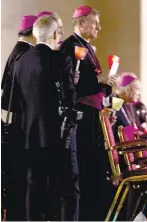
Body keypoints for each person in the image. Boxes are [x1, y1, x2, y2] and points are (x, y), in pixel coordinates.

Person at [14, 14, 77, 221]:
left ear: (34, 34)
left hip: (29, 135)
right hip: (55, 134)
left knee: (34, 186)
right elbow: (69, 98)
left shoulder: (21, 61)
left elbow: (13, 101)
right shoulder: (61, 60)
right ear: (56, 34)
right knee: (65, 189)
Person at [59, 5, 117, 220]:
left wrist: (105, 84)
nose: (99, 28)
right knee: (86, 167)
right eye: (95, 23)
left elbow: (92, 81)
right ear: (81, 23)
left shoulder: (87, 47)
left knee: (95, 167)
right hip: (81, 117)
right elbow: (70, 84)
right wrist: (97, 81)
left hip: (94, 116)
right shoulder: (70, 46)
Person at [1, 14, 37, 221]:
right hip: (23, 126)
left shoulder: (16, 52)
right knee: (22, 181)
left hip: (13, 124)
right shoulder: (27, 55)